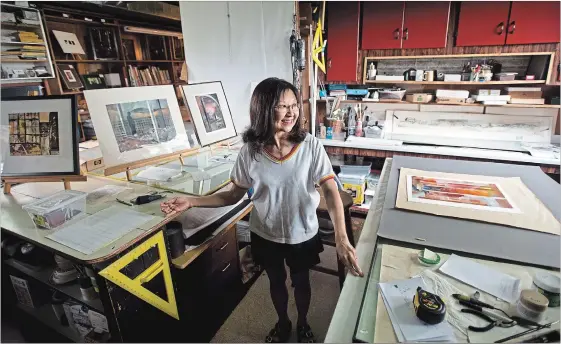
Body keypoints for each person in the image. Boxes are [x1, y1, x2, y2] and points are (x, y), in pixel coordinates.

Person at [161, 77, 363, 343]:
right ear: (264, 109)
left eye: (294, 105)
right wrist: (192, 201)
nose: (292, 112)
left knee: (301, 282)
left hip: (302, 233)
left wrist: (341, 238)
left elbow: (330, 191)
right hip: (266, 233)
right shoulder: (250, 152)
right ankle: (283, 324)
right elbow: (233, 195)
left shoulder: (310, 146)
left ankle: (302, 324)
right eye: (282, 106)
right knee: (275, 282)